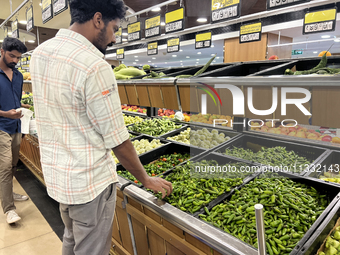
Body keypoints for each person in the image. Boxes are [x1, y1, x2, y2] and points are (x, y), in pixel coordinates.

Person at [30, 0, 172, 254]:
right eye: (114, 29)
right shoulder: (94, 65)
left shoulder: (41, 52)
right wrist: (145, 179)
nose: (115, 38)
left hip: (59, 178)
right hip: (89, 185)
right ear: (98, 20)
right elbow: (117, 139)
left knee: (71, 239)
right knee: (91, 249)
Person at [0, 37, 30, 224]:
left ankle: (8, 192)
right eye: (12, 56)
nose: (15, 61)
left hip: (16, 125)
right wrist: (5, 113)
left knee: (12, 165)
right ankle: (9, 209)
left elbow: (16, 100)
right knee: (4, 165)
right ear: (2, 51)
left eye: (18, 58)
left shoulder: (18, 76)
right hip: (1, 125)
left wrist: (22, 108)